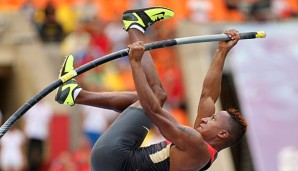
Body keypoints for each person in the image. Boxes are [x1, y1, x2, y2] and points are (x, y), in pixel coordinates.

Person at [55, 7, 247, 171]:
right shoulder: (204, 148)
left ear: (222, 134)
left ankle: (134, 27)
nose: (205, 118)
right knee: (150, 98)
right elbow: (208, 95)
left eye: (212, 119)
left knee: (156, 96)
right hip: (118, 160)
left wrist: (136, 64)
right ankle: (74, 94)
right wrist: (222, 51)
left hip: (114, 159)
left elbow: (152, 110)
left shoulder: (196, 145)